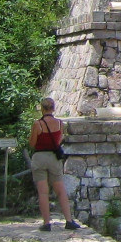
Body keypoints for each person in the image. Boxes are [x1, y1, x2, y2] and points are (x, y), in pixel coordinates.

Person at [28, 97, 81, 232]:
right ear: (53, 108)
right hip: (54, 158)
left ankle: (46, 223)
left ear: (42, 108)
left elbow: (32, 143)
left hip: (39, 157)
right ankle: (69, 221)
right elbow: (59, 141)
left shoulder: (37, 124)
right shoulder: (59, 123)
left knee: (43, 192)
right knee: (60, 191)